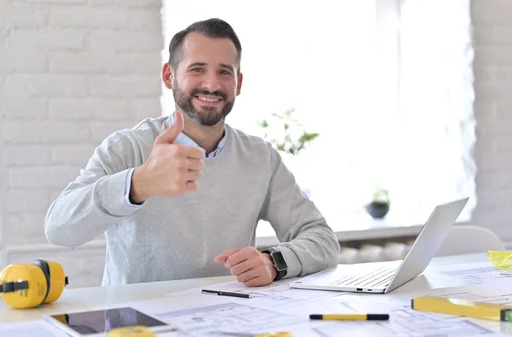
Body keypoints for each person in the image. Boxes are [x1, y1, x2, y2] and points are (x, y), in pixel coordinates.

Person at [44, 18, 340, 287]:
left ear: (238, 83)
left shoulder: (260, 158)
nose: (211, 84)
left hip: (230, 318)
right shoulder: (128, 147)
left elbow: (322, 240)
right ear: (169, 76)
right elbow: (59, 229)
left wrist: (274, 262)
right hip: (138, 325)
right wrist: (138, 184)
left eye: (224, 72)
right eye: (197, 69)